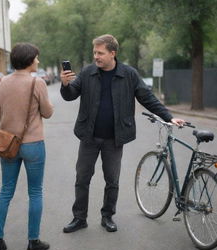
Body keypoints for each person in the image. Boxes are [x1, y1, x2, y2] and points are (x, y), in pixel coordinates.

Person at [60, 34, 185, 233]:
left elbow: (147, 98)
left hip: (114, 138)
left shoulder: (129, 74)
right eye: (94, 52)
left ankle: (107, 216)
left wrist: (168, 116)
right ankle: (79, 218)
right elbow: (70, 95)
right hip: (89, 136)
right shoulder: (87, 72)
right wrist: (65, 84)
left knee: (112, 180)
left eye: (100, 53)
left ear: (113, 53)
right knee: (82, 178)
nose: (96, 57)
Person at [0, 43, 53, 250]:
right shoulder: (38, 82)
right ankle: (32, 242)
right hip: (33, 144)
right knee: (35, 192)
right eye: (36, 57)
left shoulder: (4, 82)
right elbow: (47, 112)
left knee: (6, 191)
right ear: (28, 60)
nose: (38, 61)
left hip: (8, 144)